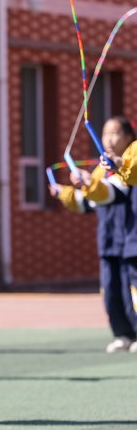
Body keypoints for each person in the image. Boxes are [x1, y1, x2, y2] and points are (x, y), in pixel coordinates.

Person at [68, 116, 137, 352]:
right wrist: (75, 190)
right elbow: (88, 203)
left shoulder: (130, 162)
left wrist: (117, 169)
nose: (108, 139)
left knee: (133, 293)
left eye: (115, 133)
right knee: (111, 291)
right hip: (109, 241)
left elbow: (115, 192)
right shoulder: (103, 168)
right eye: (105, 133)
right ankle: (123, 334)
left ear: (129, 137)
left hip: (130, 238)